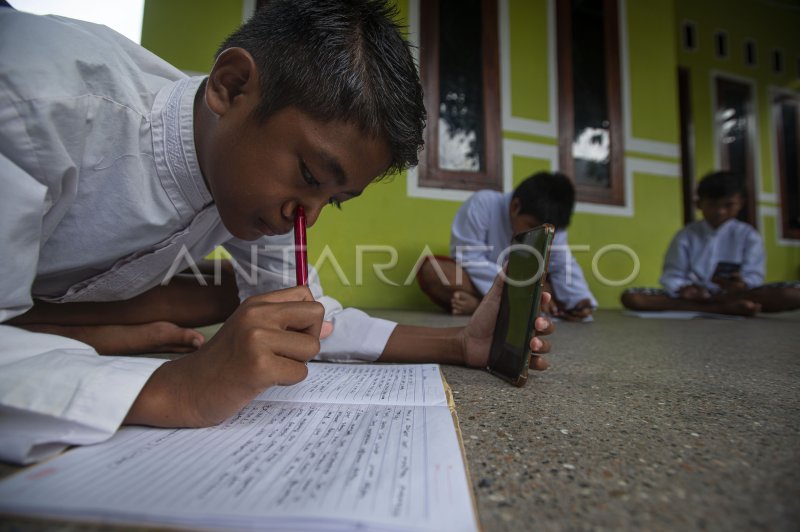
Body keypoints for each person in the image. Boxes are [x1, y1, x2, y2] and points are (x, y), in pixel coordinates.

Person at [0, 1, 554, 465]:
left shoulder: (251, 181)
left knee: (261, 307)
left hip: (44, 297)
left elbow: (311, 315)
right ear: (231, 86)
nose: (306, 218)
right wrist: (175, 388)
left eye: (332, 202)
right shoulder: (33, 103)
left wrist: (460, 344)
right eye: (311, 177)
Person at [417, 171, 597, 320]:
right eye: (531, 227)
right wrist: (528, 291)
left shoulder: (554, 227)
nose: (539, 238)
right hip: (505, 286)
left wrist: (580, 299)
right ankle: (513, 309)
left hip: (528, 289)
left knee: (553, 287)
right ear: (515, 206)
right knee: (434, 271)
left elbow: (563, 266)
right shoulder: (482, 204)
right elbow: (469, 259)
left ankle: (480, 307)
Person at [621, 171, 800, 316]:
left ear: (741, 204)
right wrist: (684, 288)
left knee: (793, 293)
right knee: (632, 297)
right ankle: (722, 309)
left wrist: (741, 284)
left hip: (736, 294)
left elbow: (754, 275)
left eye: (728, 205)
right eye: (713, 204)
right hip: (693, 297)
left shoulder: (748, 235)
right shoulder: (686, 235)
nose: (720, 211)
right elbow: (672, 274)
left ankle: (728, 303)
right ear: (699, 204)